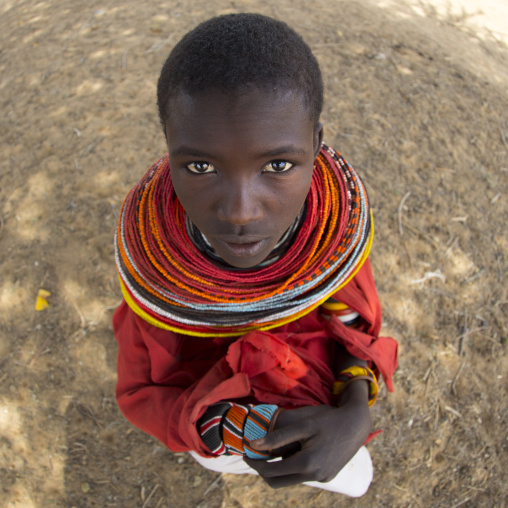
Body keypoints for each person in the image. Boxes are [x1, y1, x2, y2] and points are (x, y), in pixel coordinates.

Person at [113, 13, 398, 497]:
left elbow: (352, 318)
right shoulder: (158, 266)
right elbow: (144, 393)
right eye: (200, 166)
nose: (241, 212)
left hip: (313, 388)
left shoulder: (332, 233)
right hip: (216, 414)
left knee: (357, 477)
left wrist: (354, 410)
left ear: (316, 146)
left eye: (278, 164)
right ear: (168, 152)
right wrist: (234, 429)